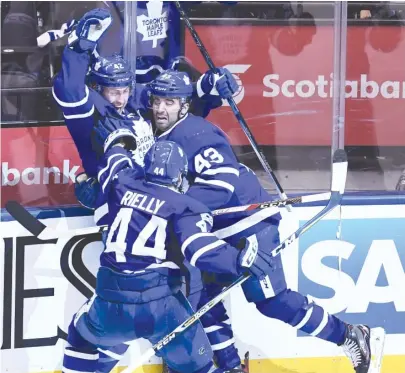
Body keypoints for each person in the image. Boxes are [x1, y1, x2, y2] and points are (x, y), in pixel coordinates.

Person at [147, 69, 383, 373]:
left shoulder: (196, 134)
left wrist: (176, 207)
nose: (161, 108)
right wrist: (208, 82)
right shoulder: (162, 127)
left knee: (272, 301)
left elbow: (222, 183)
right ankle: (230, 365)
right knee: (202, 297)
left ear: (183, 105)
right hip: (216, 231)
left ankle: (351, 336)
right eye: (157, 101)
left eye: (170, 101)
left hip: (248, 225)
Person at [62, 133, 278, 373]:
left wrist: (119, 144)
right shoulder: (188, 206)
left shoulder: (122, 184)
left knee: (80, 338)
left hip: (110, 301)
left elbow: (114, 161)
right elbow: (199, 248)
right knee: (200, 368)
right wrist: (240, 259)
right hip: (162, 308)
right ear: (180, 175)